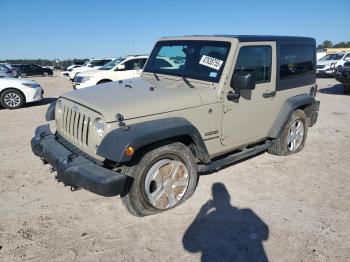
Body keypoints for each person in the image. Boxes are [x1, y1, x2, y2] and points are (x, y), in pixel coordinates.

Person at [183, 183, 269, 262]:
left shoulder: (209, 218)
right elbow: (264, 233)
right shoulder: (246, 213)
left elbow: (189, 244)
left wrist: (202, 212)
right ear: (228, 196)